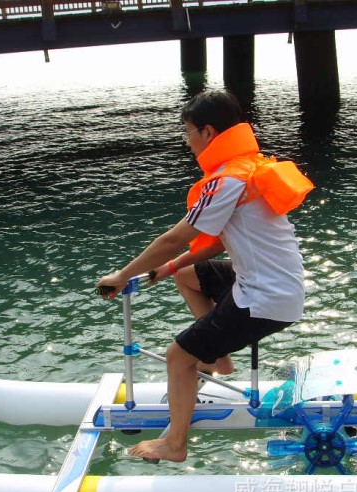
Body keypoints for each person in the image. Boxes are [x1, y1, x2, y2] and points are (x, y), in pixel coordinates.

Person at [96, 90, 306, 462]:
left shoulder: (226, 180)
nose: (187, 140)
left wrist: (122, 274)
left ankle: (174, 444)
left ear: (208, 132)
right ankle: (218, 359)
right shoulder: (248, 167)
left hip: (265, 297)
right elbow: (212, 246)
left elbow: (175, 238)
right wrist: (169, 268)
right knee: (190, 275)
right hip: (273, 283)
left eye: (188, 132)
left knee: (178, 356)